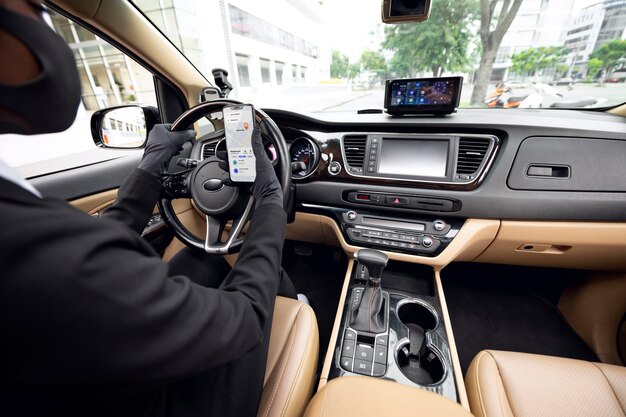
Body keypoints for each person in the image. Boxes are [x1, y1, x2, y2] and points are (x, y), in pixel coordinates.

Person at [0, 1, 294, 415]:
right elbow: (245, 316)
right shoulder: (38, 263)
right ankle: (302, 302)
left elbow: (85, 253)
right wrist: (268, 202)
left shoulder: (26, 236)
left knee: (202, 258)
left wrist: (150, 168)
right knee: (260, 287)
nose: (41, 17)